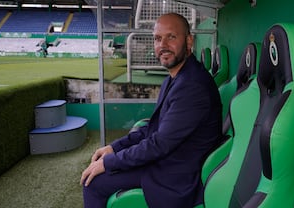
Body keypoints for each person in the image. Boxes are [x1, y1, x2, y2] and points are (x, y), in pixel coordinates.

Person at [80, 12, 222, 208]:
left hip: (175, 174)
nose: (163, 45)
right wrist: (113, 148)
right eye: (157, 38)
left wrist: (108, 163)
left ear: (189, 41)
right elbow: (153, 128)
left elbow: (158, 144)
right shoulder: (175, 78)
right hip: (168, 160)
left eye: (171, 37)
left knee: (94, 183)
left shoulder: (192, 86)